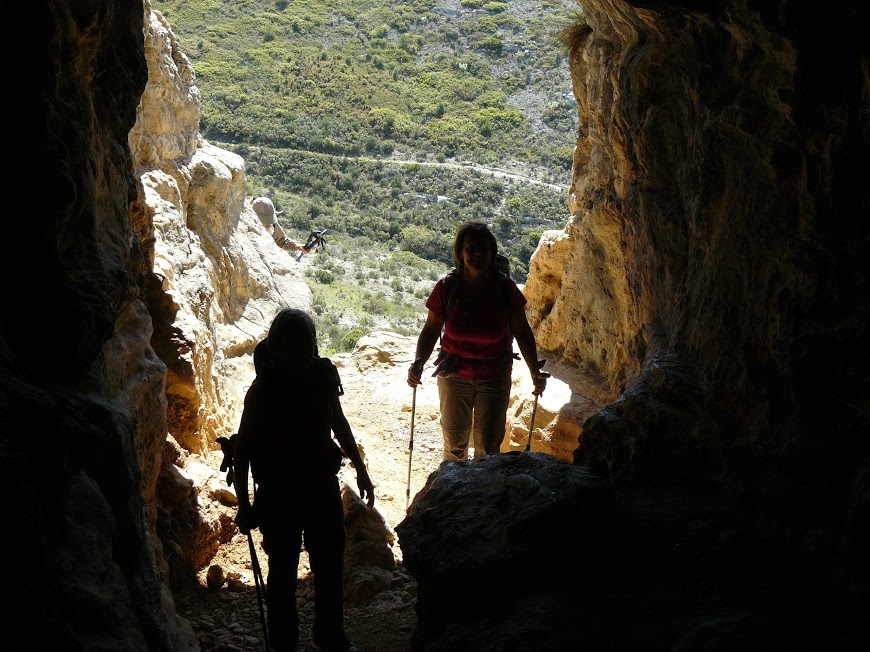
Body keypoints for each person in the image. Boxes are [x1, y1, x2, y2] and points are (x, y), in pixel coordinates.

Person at [234, 308, 375, 652]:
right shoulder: (263, 391)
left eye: (307, 341)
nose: (302, 350)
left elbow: (338, 423)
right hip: (285, 492)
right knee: (284, 572)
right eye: (294, 343)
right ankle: (289, 642)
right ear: (277, 347)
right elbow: (244, 451)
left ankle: (327, 635)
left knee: (326, 565)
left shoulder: (321, 377)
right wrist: (243, 504)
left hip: (315, 486)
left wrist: (360, 466)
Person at [407, 222, 547, 461]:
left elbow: (522, 331)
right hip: (454, 375)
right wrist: (418, 362)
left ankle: (480, 495)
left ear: (492, 253)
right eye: (470, 248)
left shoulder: (505, 289)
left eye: (482, 248)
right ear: (460, 253)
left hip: (493, 375)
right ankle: (453, 493)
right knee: (454, 444)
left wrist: (535, 369)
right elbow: (431, 330)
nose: (476, 254)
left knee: (488, 448)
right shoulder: (447, 288)